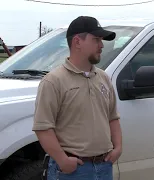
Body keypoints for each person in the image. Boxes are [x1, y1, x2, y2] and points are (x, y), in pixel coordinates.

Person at [32, 16, 122, 180]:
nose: (101, 45)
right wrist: (63, 160)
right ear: (77, 42)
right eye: (96, 39)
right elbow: (43, 128)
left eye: (101, 40)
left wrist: (118, 148)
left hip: (104, 167)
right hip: (73, 171)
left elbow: (113, 117)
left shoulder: (103, 78)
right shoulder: (53, 81)